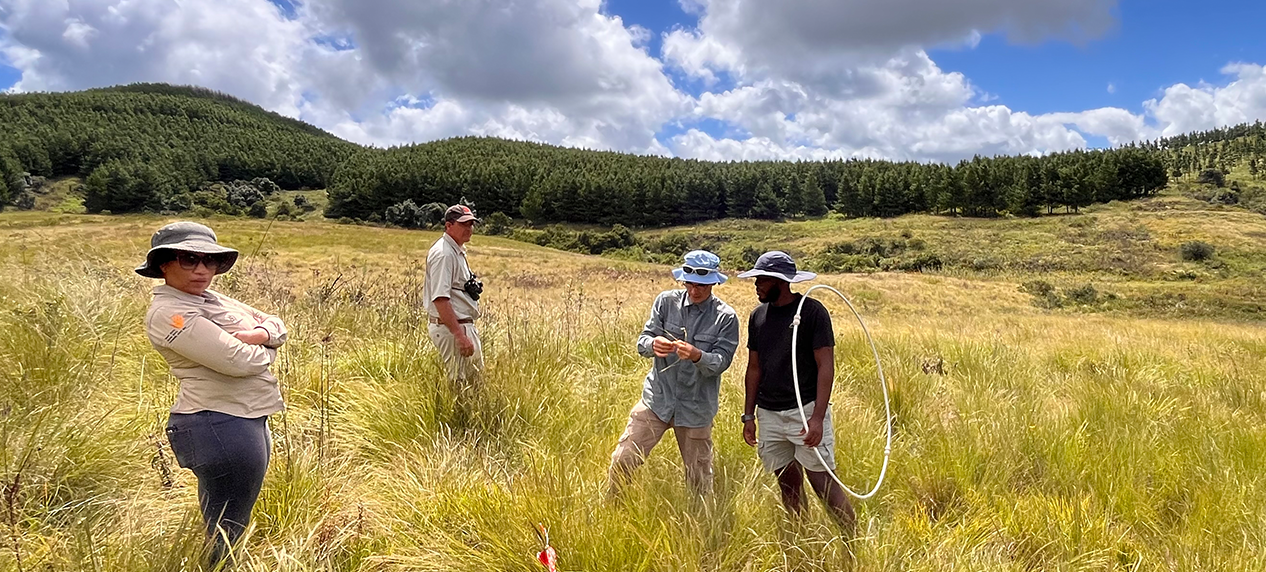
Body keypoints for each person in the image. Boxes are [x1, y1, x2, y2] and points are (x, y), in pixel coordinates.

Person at [138, 221, 286, 565]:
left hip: (245, 416)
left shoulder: (209, 298)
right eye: (189, 259)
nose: (202, 269)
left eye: (210, 260)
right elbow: (240, 361)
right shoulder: (170, 312)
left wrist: (261, 335)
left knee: (232, 520)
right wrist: (269, 348)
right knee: (226, 527)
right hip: (217, 422)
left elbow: (275, 323)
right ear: (164, 264)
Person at [738, 251, 855, 533]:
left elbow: (825, 365)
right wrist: (748, 415)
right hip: (769, 413)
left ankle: (853, 543)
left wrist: (817, 418)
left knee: (823, 484)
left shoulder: (812, 312)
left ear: (780, 281)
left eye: (762, 279)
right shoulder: (757, 316)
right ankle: (800, 539)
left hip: (804, 411)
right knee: (787, 484)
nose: (757, 284)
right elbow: (754, 368)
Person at [608, 250, 740, 496]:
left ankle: (699, 518)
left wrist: (697, 355)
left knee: (699, 480)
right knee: (623, 460)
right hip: (657, 400)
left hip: (696, 408)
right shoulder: (665, 302)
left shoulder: (726, 317)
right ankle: (613, 508)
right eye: (689, 283)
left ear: (714, 283)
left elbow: (722, 362)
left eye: (701, 285)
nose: (694, 290)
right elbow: (643, 341)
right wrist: (653, 344)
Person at [425, 204, 484, 387]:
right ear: (448, 225)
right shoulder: (444, 254)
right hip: (451, 329)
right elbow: (440, 298)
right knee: (458, 385)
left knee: (473, 384)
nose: (469, 228)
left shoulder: (455, 251)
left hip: (461, 326)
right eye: (463, 224)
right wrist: (459, 335)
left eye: (471, 224)